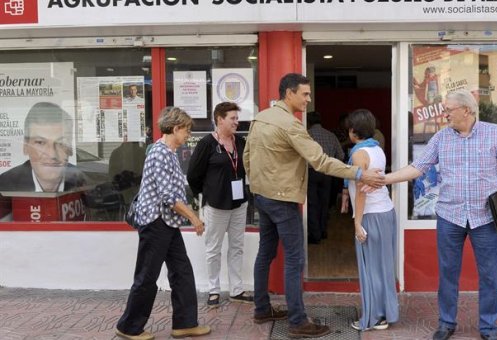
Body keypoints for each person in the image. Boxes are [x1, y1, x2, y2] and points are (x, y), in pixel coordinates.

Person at [243, 73, 385, 339]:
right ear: (289, 94)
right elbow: (320, 161)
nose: (308, 99)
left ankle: (261, 309)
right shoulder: (291, 125)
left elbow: (247, 156)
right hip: (283, 199)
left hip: (262, 195)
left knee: (265, 253)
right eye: (305, 94)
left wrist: (258, 186)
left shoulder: (260, 117)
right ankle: (298, 322)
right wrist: (358, 173)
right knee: (295, 259)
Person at [381, 89, 497, 340]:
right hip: (450, 216)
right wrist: (385, 179)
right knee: (448, 273)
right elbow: (417, 167)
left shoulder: (494, 134)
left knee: (490, 275)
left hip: (485, 218)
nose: (445, 115)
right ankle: (446, 322)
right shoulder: (441, 138)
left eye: (448, 110)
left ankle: (488, 327)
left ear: (466, 110)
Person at [116, 107, 211, 340]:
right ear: (175, 128)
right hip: (155, 223)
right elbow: (169, 197)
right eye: (186, 130)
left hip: (167, 224)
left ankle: (185, 323)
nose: (188, 135)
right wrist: (194, 217)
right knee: (147, 276)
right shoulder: (159, 153)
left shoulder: (169, 153)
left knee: (182, 272)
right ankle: (129, 327)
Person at [187, 102, 254, 307]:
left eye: (237, 118)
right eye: (233, 118)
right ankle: (213, 290)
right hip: (216, 205)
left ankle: (236, 290)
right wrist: (207, 193)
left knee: (237, 246)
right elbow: (193, 175)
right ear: (220, 119)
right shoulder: (207, 143)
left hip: (239, 203)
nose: (237, 121)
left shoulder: (241, 142)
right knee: (213, 248)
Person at [340, 109, 399, 332]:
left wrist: (357, 223)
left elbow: (362, 191)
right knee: (383, 266)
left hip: (371, 215)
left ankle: (374, 317)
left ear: (353, 131)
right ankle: (386, 313)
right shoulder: (377, 149)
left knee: (370, 267)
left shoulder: (358, 154)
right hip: (386, 211)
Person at [0, 102, 86, 192]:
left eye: (61, 143)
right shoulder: (4, 186)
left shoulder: (86, 182)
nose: (52, 154)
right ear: (25, 147)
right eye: (40, 142)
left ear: (70, 148)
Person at [306, 110, 344, 244]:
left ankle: (315, 234)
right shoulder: (331, 135)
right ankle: (323, 231)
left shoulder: (306, 135)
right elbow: (341, 156)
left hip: (311, 172)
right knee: (324, 203)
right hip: (327, 173)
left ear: (308, 122)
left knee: (312, 204)